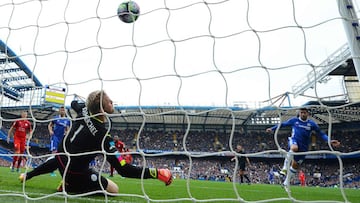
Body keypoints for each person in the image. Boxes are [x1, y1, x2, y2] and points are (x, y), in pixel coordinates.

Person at [20, 90, 172, 194]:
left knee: (62, 157)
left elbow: (74, 103)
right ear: (101, 109)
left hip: (61, 161)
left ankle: (36, 176)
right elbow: (124, 169)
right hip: (76, 174)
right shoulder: (103, 136)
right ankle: (69, 186)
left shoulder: (83, 111)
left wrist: (81, 103)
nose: (112, 101)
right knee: (114, 189)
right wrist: (156, 173)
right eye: (109, 101)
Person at [266, 107, 340, 189]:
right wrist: (272, 128)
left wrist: (329, 140)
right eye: (302, 112)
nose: (303, 114)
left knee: (295, 166)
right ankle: (284, 169)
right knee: (294, 148)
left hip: (304, 147)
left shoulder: (312, 124)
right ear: (299, 113)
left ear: (307, 114)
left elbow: (321, 134)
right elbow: (283, 124)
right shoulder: (294, 121)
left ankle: (286, 183)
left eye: (305, 112)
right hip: (294, 140)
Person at [48, 106, 71, 176]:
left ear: (65, 111)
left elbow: (68, 129)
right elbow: (50, 125)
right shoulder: (56, 118)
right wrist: (50, 131)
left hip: (62, 139)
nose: (62, 111)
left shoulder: (67, 120)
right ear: (59, 111)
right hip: (55, 137)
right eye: (61, 110)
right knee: (54, 152)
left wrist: (67, 132)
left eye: (63, 110)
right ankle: (51, 170)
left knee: (61, 154)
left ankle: (59, 169)